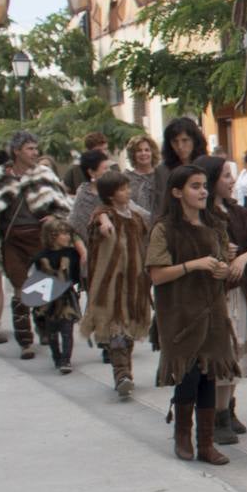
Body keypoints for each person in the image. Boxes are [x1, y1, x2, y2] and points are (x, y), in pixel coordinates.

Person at [147, 164, 235, 464]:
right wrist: (194, 265)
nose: (203, 191)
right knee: (188, 374)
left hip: (212, 311)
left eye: (203, 185)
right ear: (177, 191)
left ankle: (206, 443)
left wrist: (222, 269)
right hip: (180, 313)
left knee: (209, 374)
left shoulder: (213, 224)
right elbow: (157, 275)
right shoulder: (164, 229)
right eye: (195, 186)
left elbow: (223, 261)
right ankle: (183, 435)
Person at [0, 129, 73, 361]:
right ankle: (25, 342)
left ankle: (44, 327)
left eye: (35, 148)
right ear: (17, 151)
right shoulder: (0, 176)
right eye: (29, 148)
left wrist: (53, 219)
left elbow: (62, 204)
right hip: (12, 240)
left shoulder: (44, 174)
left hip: (39, 238)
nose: (34, 152)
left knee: (43, 287)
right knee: (20, 289)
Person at [197, 157, 247, 443]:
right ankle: (217, 416)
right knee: (220, 353)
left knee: (236, 350)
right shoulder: (201, 216)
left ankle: (228, 407)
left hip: (238, 291)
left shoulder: (238, 212)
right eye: (227, 175)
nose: (232, 180)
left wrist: (242, 258)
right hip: (214, 294)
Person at [80, 169, 152, 401]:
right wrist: (102, 221)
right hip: (111, 284)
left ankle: (125, 370)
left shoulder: (136, 217)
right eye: (123, 189)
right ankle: (121, 374)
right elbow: (98, 220)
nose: (128, 191)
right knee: (116, 327)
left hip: (135, 282)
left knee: (129, 327)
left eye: (127, 187)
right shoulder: (104, 215)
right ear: (111, 195)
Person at [30, 216, 84, 375]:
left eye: (68, 233)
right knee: (52, 332)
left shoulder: (72, 254)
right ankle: (57, 356)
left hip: (66, 298)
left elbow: (76, 274)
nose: (67, 237)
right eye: (63, 234)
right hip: (49, 301)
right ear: (52, 236)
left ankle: (66, 360)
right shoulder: (40, 258)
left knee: (67, 330)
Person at [65, 149, 112, 247]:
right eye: (105, 168)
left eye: (109, 168)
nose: (110, 172)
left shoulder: (115, 189)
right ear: (91, 172)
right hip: (92, 250)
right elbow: (75, 226)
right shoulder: (84, 194)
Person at [124, 133, 163, 222]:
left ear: (152, 152)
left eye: (147, 150)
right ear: (133, 154)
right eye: (139, 151)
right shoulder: (125, 178)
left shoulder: (161, 175)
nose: (143, 153)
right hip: (136, 226)